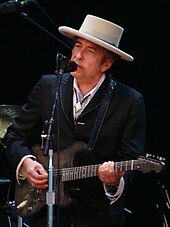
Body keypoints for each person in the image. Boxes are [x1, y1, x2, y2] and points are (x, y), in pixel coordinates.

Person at [4, 14, 145, 227]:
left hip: (97, 216)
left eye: (90, 51)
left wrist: (113, 182)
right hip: (46, 212)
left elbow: (130, 163)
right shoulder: (49, 86)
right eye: (77, 46)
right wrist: (26, 164)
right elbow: (15, 135)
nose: (77, 56)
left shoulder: (129, 101)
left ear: (106, 64)